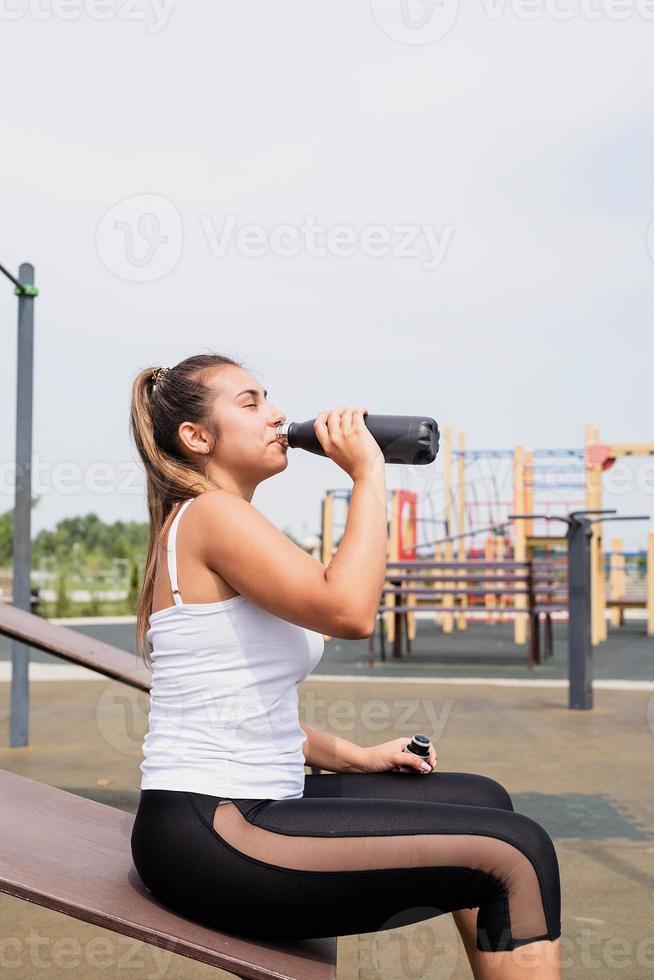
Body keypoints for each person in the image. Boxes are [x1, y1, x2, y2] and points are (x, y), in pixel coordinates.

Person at [129, 352, 562, 979]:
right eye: (250, 403)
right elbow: (350, 610)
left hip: (243, 801)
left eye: (269, 398)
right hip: (212, 827)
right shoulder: (212, 516)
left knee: (486, 802)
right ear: (197, 438)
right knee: (515, 854)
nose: (277, 414)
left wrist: (359, 757)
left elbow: (233, 705)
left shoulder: (222, 520)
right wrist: (368, 474)